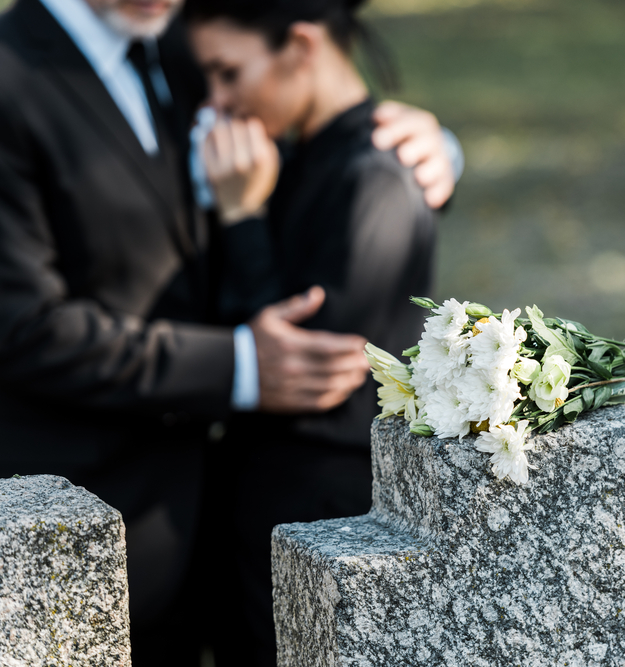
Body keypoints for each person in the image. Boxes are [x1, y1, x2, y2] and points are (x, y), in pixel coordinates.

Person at [0, 0, 459, 663]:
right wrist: (239, 366)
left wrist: (424, 150)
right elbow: (20, 329)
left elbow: (300, 122)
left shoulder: (187, 40)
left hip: (229, 523)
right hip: (86, 531)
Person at [182, 1, 440, 664]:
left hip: (321, 520)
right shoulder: (292, 156)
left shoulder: (373, 177)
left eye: (227, 73)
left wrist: (242, 219)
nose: (218, 101)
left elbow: (303, 368)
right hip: (266, 515)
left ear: (300, 45)